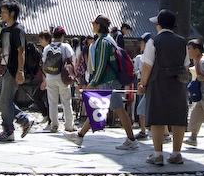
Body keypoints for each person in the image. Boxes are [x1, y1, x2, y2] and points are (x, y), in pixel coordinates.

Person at [66, 14, 140, 150]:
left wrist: (93, 83)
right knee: (99, 107)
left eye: (94, 24)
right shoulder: (109, 40)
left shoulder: (103, 42)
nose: (92, 26)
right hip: (109, 80)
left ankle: (131, 139)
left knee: (116, 109)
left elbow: (101, 65)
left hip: (109, 81)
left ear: (99, 26)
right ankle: (80, 135)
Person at [139, 9, 190, 165]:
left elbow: (147, 66)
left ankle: (158, 154)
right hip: (178, 83)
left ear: (159, 25)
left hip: (158, 81)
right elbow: (186, 66)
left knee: (157, 117)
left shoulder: (153, 41)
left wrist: (143, 84)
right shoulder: (183, 42)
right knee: (178, 118)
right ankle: (176, 153)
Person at [0, 0, 33, 142]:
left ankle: (8, 130)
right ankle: (24, 120)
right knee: (1, 100)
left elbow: (21, 51)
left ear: (12, 13)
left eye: (4, 11)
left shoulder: (18, 30)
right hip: (6, 69)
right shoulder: (5, 30)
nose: (2, 14)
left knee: (5, 100)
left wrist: (20, 70)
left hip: (13, 70)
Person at [42, 26, 75, 133]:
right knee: (66, 101)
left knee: (52, 102)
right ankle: (69, 125)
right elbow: (71, 61)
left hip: (50, 77)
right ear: (62, 36)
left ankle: (54, 125)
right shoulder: (66, 47)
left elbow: (43, 64)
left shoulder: (47, 48)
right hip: (63, 78)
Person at [133, 32, 153, 140]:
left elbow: (147, 69)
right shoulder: (141, 57)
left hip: (148, 85)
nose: (140, 45)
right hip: (148, 84)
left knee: (141, 109)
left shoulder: (147, 56)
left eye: (142, 43)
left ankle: (143, 131)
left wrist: (143, 84)